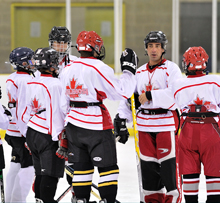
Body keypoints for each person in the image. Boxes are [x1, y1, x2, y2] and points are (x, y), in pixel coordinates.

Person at [59, 30, 138, 203]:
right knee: (108, 168)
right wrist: (129, 72)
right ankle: (107, 200)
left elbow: (63, 103)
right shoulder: (98, 67)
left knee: (81, 168)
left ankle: (81, 200)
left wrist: (64, 129)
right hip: (95, 125)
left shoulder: (67, 69)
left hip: (73, 124)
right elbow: (121, 92)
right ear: (94, 47)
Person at [115, 31, 182, 203]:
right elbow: (129, 98)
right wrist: (122, 118)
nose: (154, 50)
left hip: (165, 125)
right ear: (146, 48)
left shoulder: (171, 69)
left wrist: (151, 95)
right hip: (144, 127)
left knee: (168, 170)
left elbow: (176, 96)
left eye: (157, 46)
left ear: (163, 48)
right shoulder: (139, 72)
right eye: (150, 46)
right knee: (149, 171)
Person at [172, 46, 220, 203]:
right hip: (212, 133)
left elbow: (169, 103)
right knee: (215, 183)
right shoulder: (216, 81)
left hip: (187, 134)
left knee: (190, 181)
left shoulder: (178, 84)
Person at [22, 47, 65, 203]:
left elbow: (26, 110)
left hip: (32, 132)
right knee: (50, 174)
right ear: (51, 64)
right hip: (47, 135)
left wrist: (27, 135)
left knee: (40, 173)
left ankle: (39, 200)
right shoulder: (55, 84)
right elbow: (56, 113)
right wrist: (60, 139)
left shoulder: (31, 81)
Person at [4, 47, 35, 203]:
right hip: (21, 131)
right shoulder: (26, 80)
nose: (33, 63)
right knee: (29, 168)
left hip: (12, 131)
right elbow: (22, 110)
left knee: (16, 164)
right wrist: (27, 134)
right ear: (23, 63)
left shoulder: (12, 77)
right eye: (30, 60)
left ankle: (10, 200)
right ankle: (17, 201)